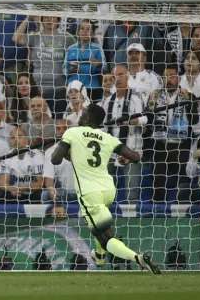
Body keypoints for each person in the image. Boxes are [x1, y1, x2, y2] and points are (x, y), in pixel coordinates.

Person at [51, 104, 160, 273]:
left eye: (82, 115)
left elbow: (55, 159)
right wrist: (126, 160)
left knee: (105, 238)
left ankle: (137, 257)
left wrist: (69, 153)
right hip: (108, 189)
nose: (79, 117)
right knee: (100, 223)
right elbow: (136, 157)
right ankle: (100, 258)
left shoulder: (72, 132)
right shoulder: (107, 137)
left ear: (86, 118)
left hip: (89, 191)